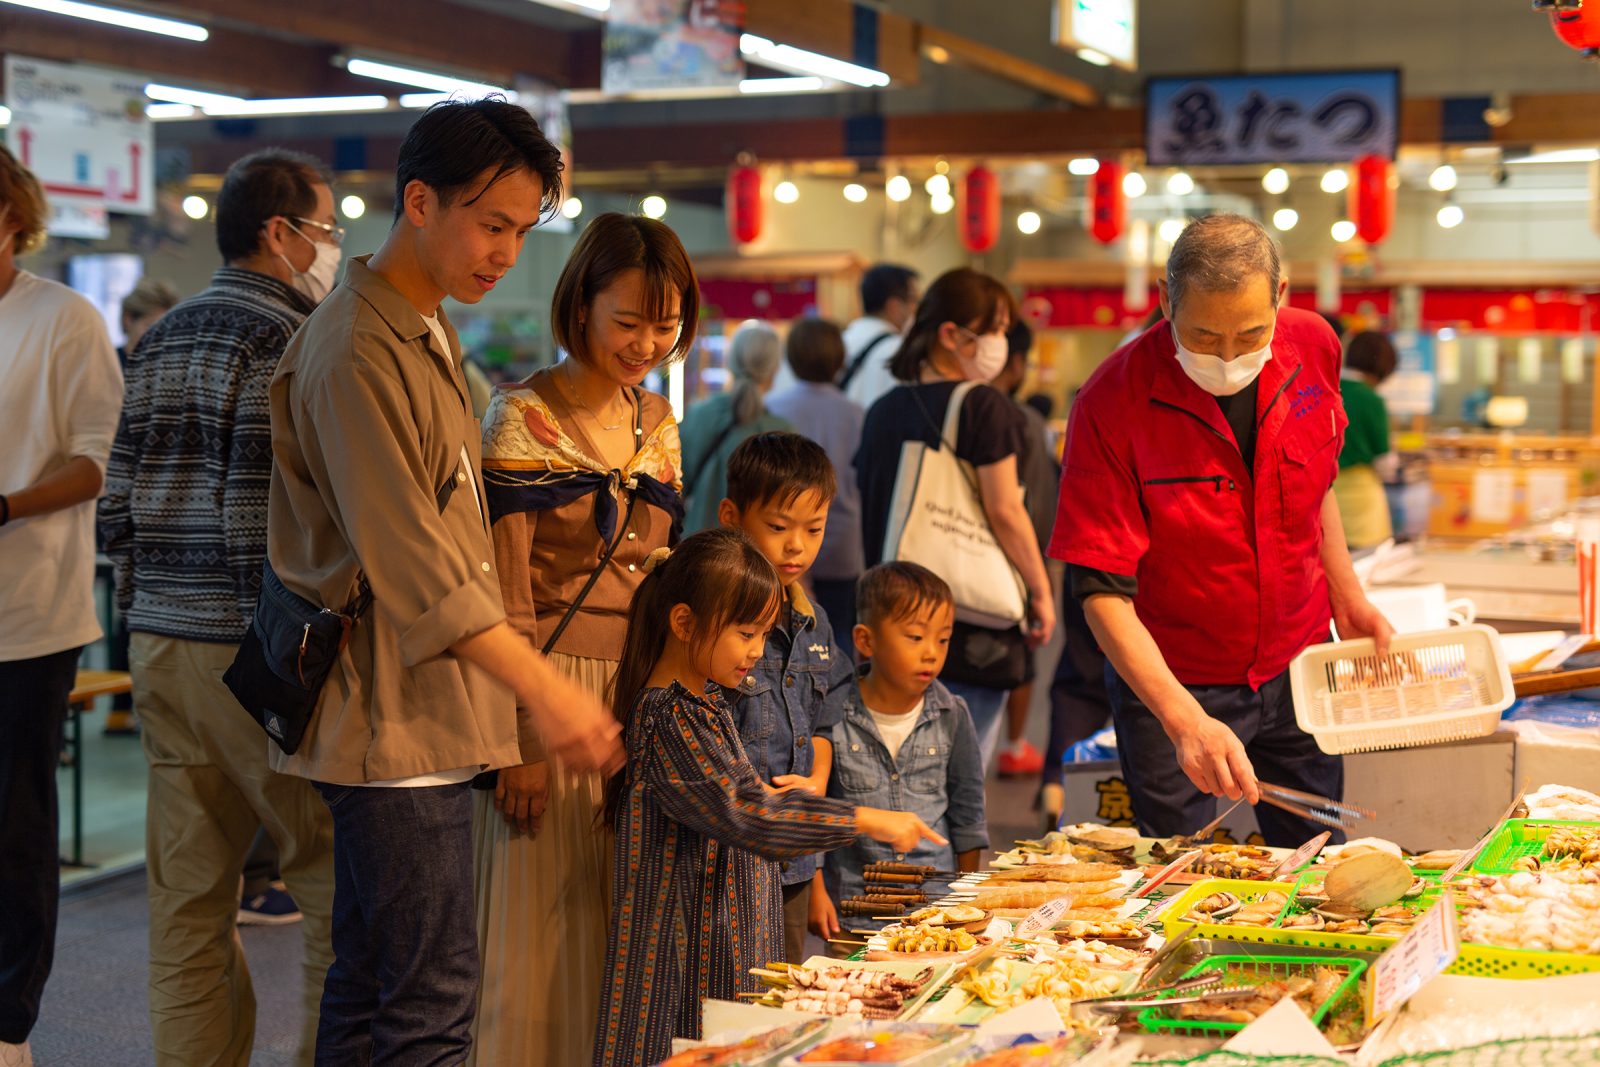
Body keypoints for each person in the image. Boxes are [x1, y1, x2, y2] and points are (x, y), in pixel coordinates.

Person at [265, 99, 621, 1064]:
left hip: (418, 711)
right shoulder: (354, 347)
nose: (506, 252)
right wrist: (545, 691)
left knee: (375, 983)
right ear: (418, 201)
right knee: (429, 1004)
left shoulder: (420, 325)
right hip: (392, 718)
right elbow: (417, 565)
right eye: (490, 223)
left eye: (520, 228)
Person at [100, 147, 341, 1067]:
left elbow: (115, 506)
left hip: (161, 645)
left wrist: (147, 608)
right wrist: (286, 654)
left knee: (188, 904)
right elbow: (258, 515)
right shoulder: (292, 338)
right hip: (253, 654)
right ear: (280, 234)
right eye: (325, 230)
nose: (331, 249)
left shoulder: (156, 338)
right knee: (327, 892)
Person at [1051, 213, 1394, 847]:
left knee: (1319, 863)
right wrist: (1183, 720)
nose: (1230, 357)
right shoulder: (1110, 402)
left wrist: (1348, 596)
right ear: (1165, 301)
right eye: (1204, 336)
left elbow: (1312, 485)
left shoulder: (1314, 346)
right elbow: (1101, 589)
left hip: (1298, 661)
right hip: (1178, 679)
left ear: (1281, 297)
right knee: (1179, 875)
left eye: (1251, 332)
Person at [470, 211, 696, 1066]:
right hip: (546, 687)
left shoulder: (659, 423)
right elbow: (502, 595)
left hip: (637, 696)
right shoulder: (520, 416)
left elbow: (665, 582)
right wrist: (519, 738)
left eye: (665, 324)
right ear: (581, 307)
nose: (646, 342)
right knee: (535, 933)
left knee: (622, 923)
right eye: (629, 320)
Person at [592, 529, 944, 1067]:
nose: (757, 652)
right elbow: (750, 814)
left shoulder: (705, 702)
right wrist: (866, 819)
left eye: (762, 634)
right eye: (746, 633)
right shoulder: (667, 716)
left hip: (724, 949)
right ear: (683, 623)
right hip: (682, 964)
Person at [0, 144, 124, 1067]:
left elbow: (92, 462)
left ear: (12, 216)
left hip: (29, 615)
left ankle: (9, 1022)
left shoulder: (62, 319)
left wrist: (4, 504)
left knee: (14, 825)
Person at [856, 268, 1056, 772]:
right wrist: (1040, 590)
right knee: (958, 788)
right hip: (966, 630)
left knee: (898, 774)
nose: (999, 344)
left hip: (891, 620)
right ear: (950, 334)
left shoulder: (881, 409)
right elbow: (1005, 510)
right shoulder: (985, 407)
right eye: (993, 330)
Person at [717, 432, 857, 963]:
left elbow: (825, 719)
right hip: (727, 858)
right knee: (729, 999)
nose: (796, 545)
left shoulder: (813, 620)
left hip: (795, 857)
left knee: (785, 986)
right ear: (731, 516)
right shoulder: (717, 619)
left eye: (814, 529)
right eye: (778, 528)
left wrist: (819, 777)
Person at [809, 562, 989, 942]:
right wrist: (815, 889)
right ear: (866, 641)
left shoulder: (952, 714)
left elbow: (969, 818)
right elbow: (816, 815)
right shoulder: (833, 714)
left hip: (935, 916)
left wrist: (966, 898)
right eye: (915, 637)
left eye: (943, 640)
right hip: (854, 915)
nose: (931, 654)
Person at [103, 278, 181, 736]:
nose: (155, 334)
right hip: (108, 503)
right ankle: (117, 703)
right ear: (128, 322)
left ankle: (134, 701)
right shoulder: (108, 366)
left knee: (133, 610)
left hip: (147, 507)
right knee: (120, 608)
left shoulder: (165, 366)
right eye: (149, 324)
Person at [764, 317, 866, 638]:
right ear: (839, 360)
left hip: (782, 541)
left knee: (782, 639)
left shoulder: (773, 409)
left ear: (791, 358)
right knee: (838, 643)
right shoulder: (857, 413)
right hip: (843, 544)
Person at [989, 319, 1057, 779]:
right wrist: (1041, 580)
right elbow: (1037, 504)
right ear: (1015, 363)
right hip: (1012, 565)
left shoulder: (951, 406)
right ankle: (1013, 747)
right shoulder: (1025, 422)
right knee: (1020, 660)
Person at [679, 320, 790, 533]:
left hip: (697, 545)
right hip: (755, 554)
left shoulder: (698, 416)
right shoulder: (783, 433)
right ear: (775, 368)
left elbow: (675, 485)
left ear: (730, 361)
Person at [1333, 331, 1398, 549]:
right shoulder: (1371, 400)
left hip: (1324, 496)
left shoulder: (1326, 389)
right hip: (1362, 500)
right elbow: (1385, 463)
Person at [841, 262, 920, 411]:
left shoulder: (841, 340)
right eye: (914, 300)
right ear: (894, 306)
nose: (917, 308)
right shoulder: (901, 351)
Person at [116, 276, 180, 365]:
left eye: (167, 329)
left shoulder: (170, 367)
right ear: (128, 319)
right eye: (151, 327)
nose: (161, 337)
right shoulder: (107, 364)